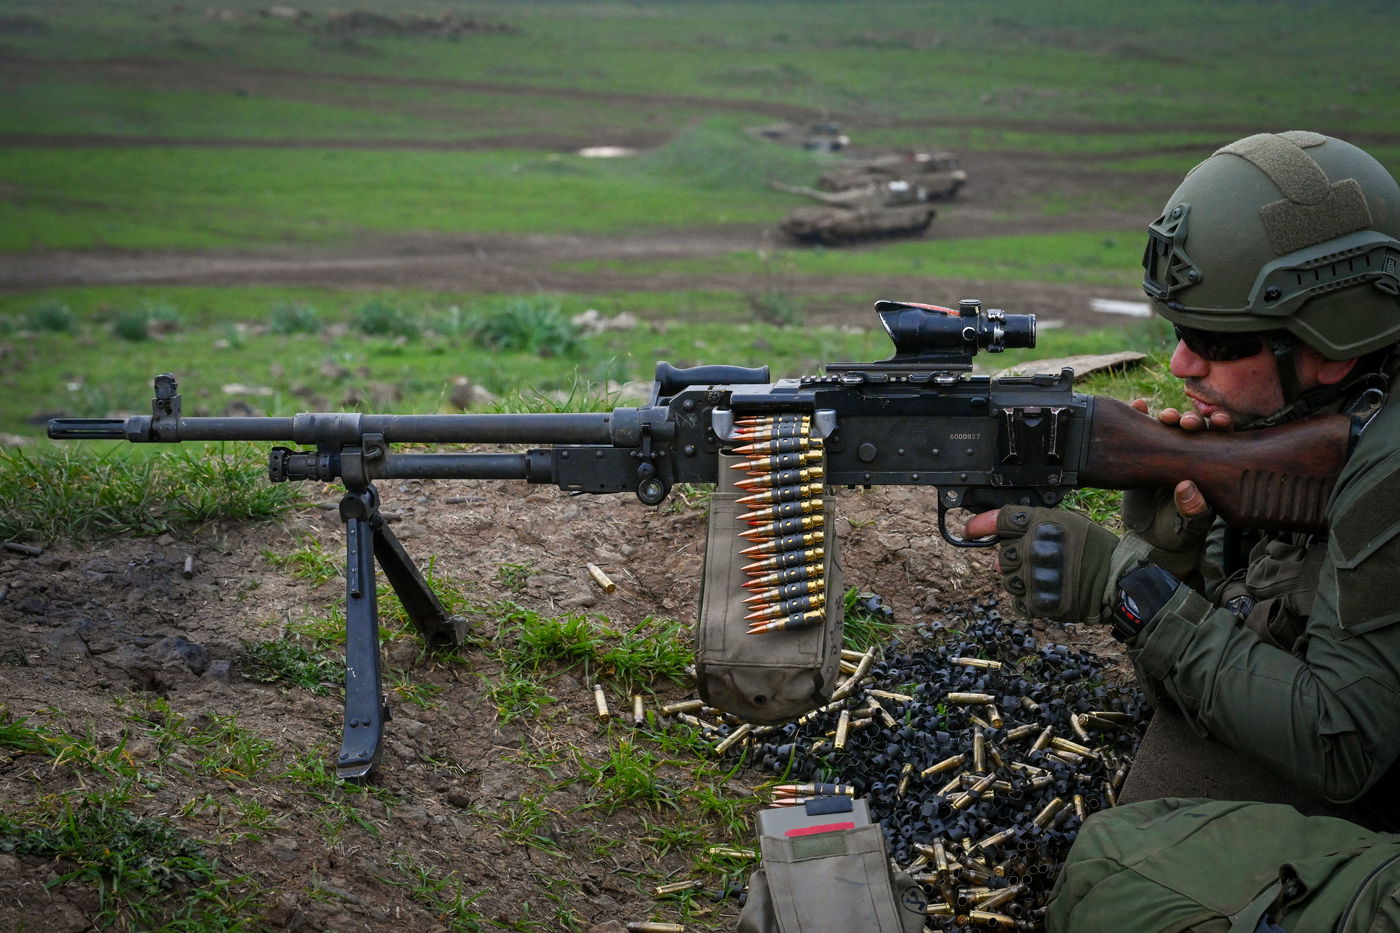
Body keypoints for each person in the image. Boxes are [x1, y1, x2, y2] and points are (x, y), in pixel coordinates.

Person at [965, 130, 1400, 827]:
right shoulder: (1313, 427)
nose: (1180, 365)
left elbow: (1343, 748)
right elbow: (1245, 662)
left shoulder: (1386, 466)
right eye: (1178, 330)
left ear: (1333, 346)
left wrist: (1129, 589)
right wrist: (1171, 565)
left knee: (1117, 870)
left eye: (1217, 342)